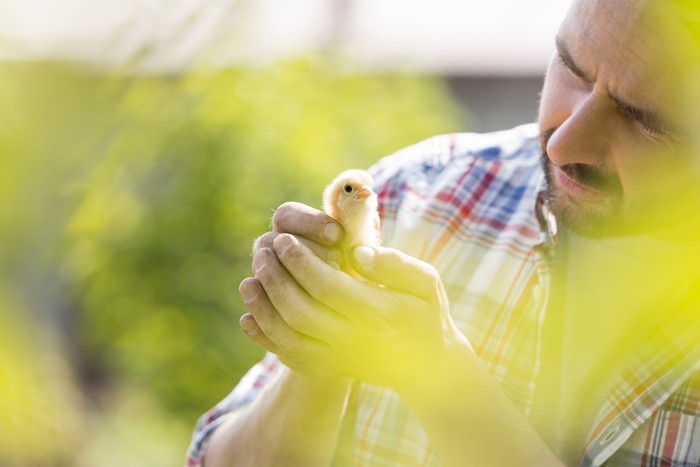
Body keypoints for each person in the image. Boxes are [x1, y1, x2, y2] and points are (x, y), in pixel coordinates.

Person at [185, 0, 700, 465]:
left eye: (644, 122)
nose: (563, 145)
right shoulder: (424, 192)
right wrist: (319, 363)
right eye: (572, 68)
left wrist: (440, 380)